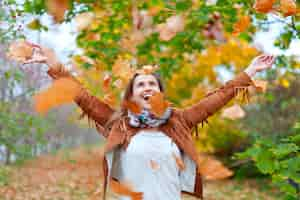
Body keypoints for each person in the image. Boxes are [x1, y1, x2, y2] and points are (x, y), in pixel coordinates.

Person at [26, 47, 275, 200]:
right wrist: (51, 64)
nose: (147, 87)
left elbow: (217, 97)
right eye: (141, 85)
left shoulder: (179, 120)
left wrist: (250, 71)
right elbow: (81, 95)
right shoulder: (119, 123)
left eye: (152, 84)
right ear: (132, 95)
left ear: (160, 93)